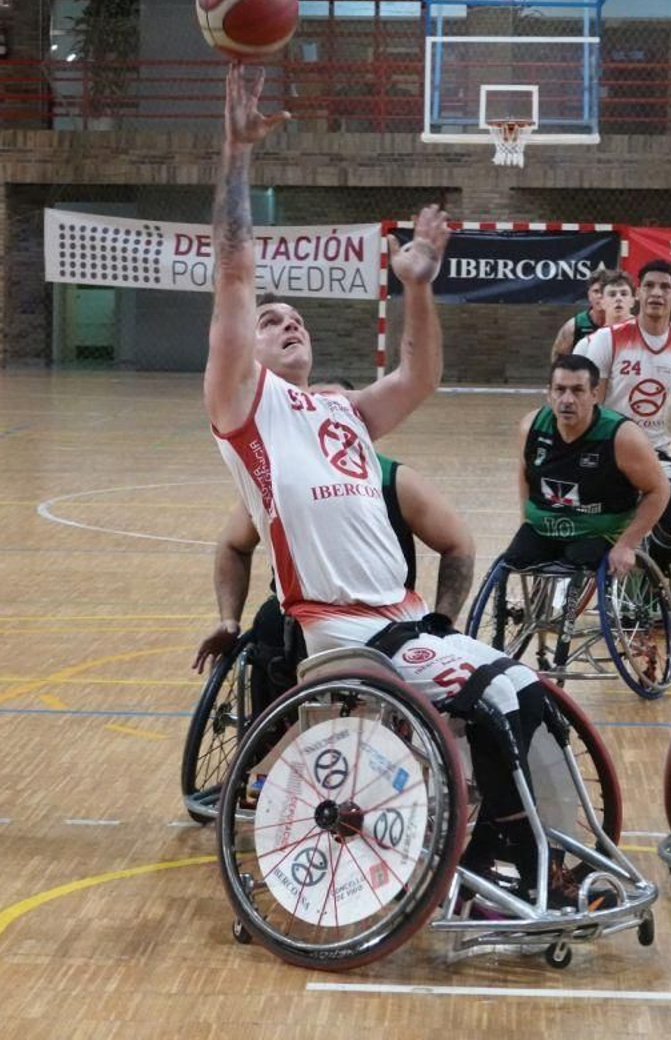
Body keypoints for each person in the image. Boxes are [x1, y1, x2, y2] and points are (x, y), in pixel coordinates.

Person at [204, 62, 556, 900]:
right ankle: (504, 867)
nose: (285, 322)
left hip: (403, 624)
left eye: (295, 319)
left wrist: (418, 288)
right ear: (243, 352)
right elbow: (233, 271)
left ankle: (527, 855)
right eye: (270, 321)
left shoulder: (343, 411)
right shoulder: (246, 410)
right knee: (506, 699)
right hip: (347, 636)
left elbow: (419, 374)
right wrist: (235, 153)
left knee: (529, 692)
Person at [193, 446, 475, 720]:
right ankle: (272, 753)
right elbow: (232, 545)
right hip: (301, 627)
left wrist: (441, 622)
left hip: (382, 626)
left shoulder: (392, 479)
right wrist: (228, 619)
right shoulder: (277, 481)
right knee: (272, 624)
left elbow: (458, 544)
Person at [574, 259, 671, 567]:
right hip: (609, 451)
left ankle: (652, 580)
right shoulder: (608, 340)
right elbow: (594, 412)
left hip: (656, 454)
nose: (657, 293)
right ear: (638, 294)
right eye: (649, 286)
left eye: (665, 287)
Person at [503, 354, 670, 576]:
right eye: (560, 390)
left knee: (579, 562)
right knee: (513, 560)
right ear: (549, 394)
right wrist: (525, 521)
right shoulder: (531, 426)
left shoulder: (623, 437)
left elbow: (659, 489)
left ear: (594, 394)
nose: (567, 399)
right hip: (544, 528)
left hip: (598, 531)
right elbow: (525, 473)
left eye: (577, 390)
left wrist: (627, 544)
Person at [551, 267, 616, 360]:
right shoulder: (575, 326)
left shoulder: (625, 323)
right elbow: (558, 358)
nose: (600, 296)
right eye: (596, 291)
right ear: (589, 295)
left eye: (605, 291)